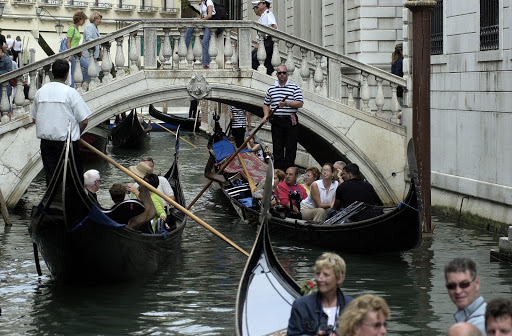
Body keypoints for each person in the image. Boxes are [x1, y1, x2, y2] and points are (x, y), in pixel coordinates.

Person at [30, 59, 91, 186]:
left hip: (47, 144)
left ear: (52, 73)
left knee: (51, 179)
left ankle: (53, 203)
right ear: (68, 73)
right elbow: (84, 121)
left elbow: (35, 119)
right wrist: (76, 134)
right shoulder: (70, 93)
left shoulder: (40, 92)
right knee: (73, 179)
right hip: (67, 144)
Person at [287, 253, 353, 335]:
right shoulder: (301, 305)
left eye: (326, 275)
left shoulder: (352, 306)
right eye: (318, 273)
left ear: (339, 279)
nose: (319, 279)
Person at [262, 65, 304, 171]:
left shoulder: (294, 87)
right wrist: (266, 115)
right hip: (277, 121)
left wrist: (287, 104)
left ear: (287, 74)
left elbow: (300, 103)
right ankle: (279, 173)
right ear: (276, 74)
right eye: (279, 73)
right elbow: (266, 104)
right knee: (277, 148)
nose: (282, 75)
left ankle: (289, 172)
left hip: (290, 121)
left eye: (284, 73)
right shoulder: (271, 89)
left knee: (291, 148)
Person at [445, 258, 487, 335]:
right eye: (451, 286)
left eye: (464, 284)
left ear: (477, 283)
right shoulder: (484, 314)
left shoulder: (480, 325)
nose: (458, 291)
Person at [184, 0, 215, 69]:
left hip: (210, 23)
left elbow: (209, 15)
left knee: (205, 42)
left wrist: (201, 20)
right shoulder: (201, 4)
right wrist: (198, 19)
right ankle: (184, 47)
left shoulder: (209, 2)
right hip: (204, 23)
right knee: (190, 27)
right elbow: (202, 17)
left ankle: (206, 63)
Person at [251, 0, 277, 75]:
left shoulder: (268, 14)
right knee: (263, 61)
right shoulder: (264, 15)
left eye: (259, 4)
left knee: (257, 59)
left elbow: (274, 27)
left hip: (267, 41)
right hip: (264, 41)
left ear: (264, 4)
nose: (258, 6)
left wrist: (263, 39)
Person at [67, 10, 90, 89]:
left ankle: (80, 83)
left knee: (87, 66)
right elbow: (68, 42)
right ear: (79, 19)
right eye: (83, 20)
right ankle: (73, 88)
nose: (84, 22)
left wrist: (82, 52)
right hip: (73, 54)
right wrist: (69, 54)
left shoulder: (77, 29)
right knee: (74, 72)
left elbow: (76, 43)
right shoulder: (72, 29)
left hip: (77, 53)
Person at [391, 43, 403, 124]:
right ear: (401, 51)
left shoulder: (394, 61)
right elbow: (397, 74)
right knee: (404, 108)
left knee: (402, 107)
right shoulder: (400, 61)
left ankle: (400, 120)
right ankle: (398, 119)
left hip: (397, 89)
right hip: (400, 89)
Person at [0, 45, 12, 118]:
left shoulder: (6, 60)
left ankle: (8, 120)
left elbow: (9, 72)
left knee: (6, 103)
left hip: (5, 85)